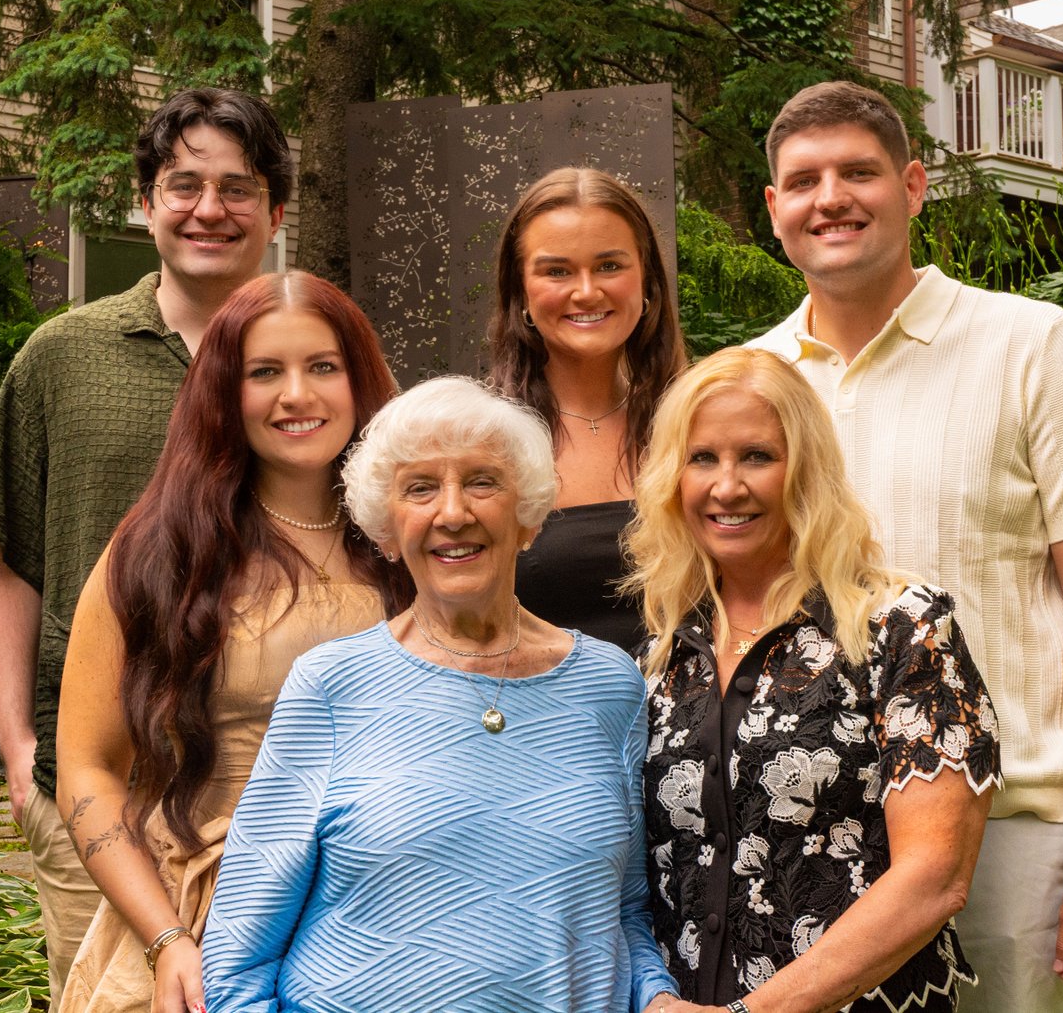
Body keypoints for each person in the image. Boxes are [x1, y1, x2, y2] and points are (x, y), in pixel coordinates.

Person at [748, 80, 1063, 1011]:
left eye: (859, 172)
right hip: (812, 835)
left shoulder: (1029, 346)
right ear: (774, 208)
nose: (830, 199)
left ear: (914, 186)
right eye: (803, 181)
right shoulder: (754, 381)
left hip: (1008, 830)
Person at [0, 87, 295, 1003]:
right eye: (184, 185)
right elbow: (6, 563)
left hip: (283, 790)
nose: (209, 209)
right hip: (99, 789)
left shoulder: (314, 361)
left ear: (275, 213)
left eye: (237, 188)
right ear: (145, 203)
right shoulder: (63, 357)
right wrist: (21, 753)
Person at [201, 377, 678, 1013]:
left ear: (529, 516)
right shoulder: (331, 684)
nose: (453, 513)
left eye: (482, 482)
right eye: (420, 488)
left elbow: (624, 913)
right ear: (387, 530)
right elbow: (238, 954)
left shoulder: (609, 684)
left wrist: (657, 998)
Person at [52, 273, 408, 1013]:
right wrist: (166, 939)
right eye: (263, 372)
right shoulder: (159, 552)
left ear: (359, 379)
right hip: (209, 918)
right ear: (221, 391)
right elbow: (87, 770)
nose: (297, 396)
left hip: (392, 918)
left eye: (323, 366)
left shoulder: (414, 538)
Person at [625, 348, 999, 1013]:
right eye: (702, 458)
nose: (727, 487)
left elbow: (935, 877)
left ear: (806, 469)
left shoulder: (901, 628)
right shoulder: (659, 661)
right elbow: (636, 883)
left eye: (757, 457)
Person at [491, 167, 686, 649]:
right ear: (521, 293)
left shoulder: (696, 423)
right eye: (557, 271)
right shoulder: (483, 439)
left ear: (647, 282)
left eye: (609, 266)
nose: (586, 291)